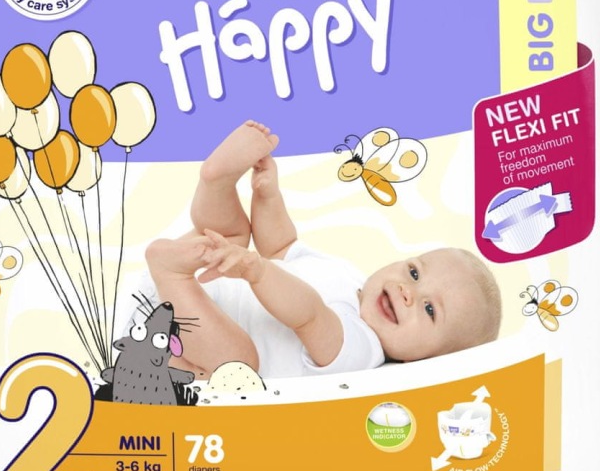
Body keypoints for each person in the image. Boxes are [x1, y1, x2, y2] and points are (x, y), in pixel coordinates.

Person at [140, 121, 502, 379]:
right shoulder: (347, 275)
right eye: (414, 272)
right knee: (230, 236)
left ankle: (171, 274)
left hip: (179, 340)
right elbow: (281, 246)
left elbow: (309, 315)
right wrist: (268, 195)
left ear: (425, 362)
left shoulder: (364, 352)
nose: (408, 291)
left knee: (238, 366)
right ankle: (216, 182)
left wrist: (257, 271)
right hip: (199, 284)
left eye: (429, 309)